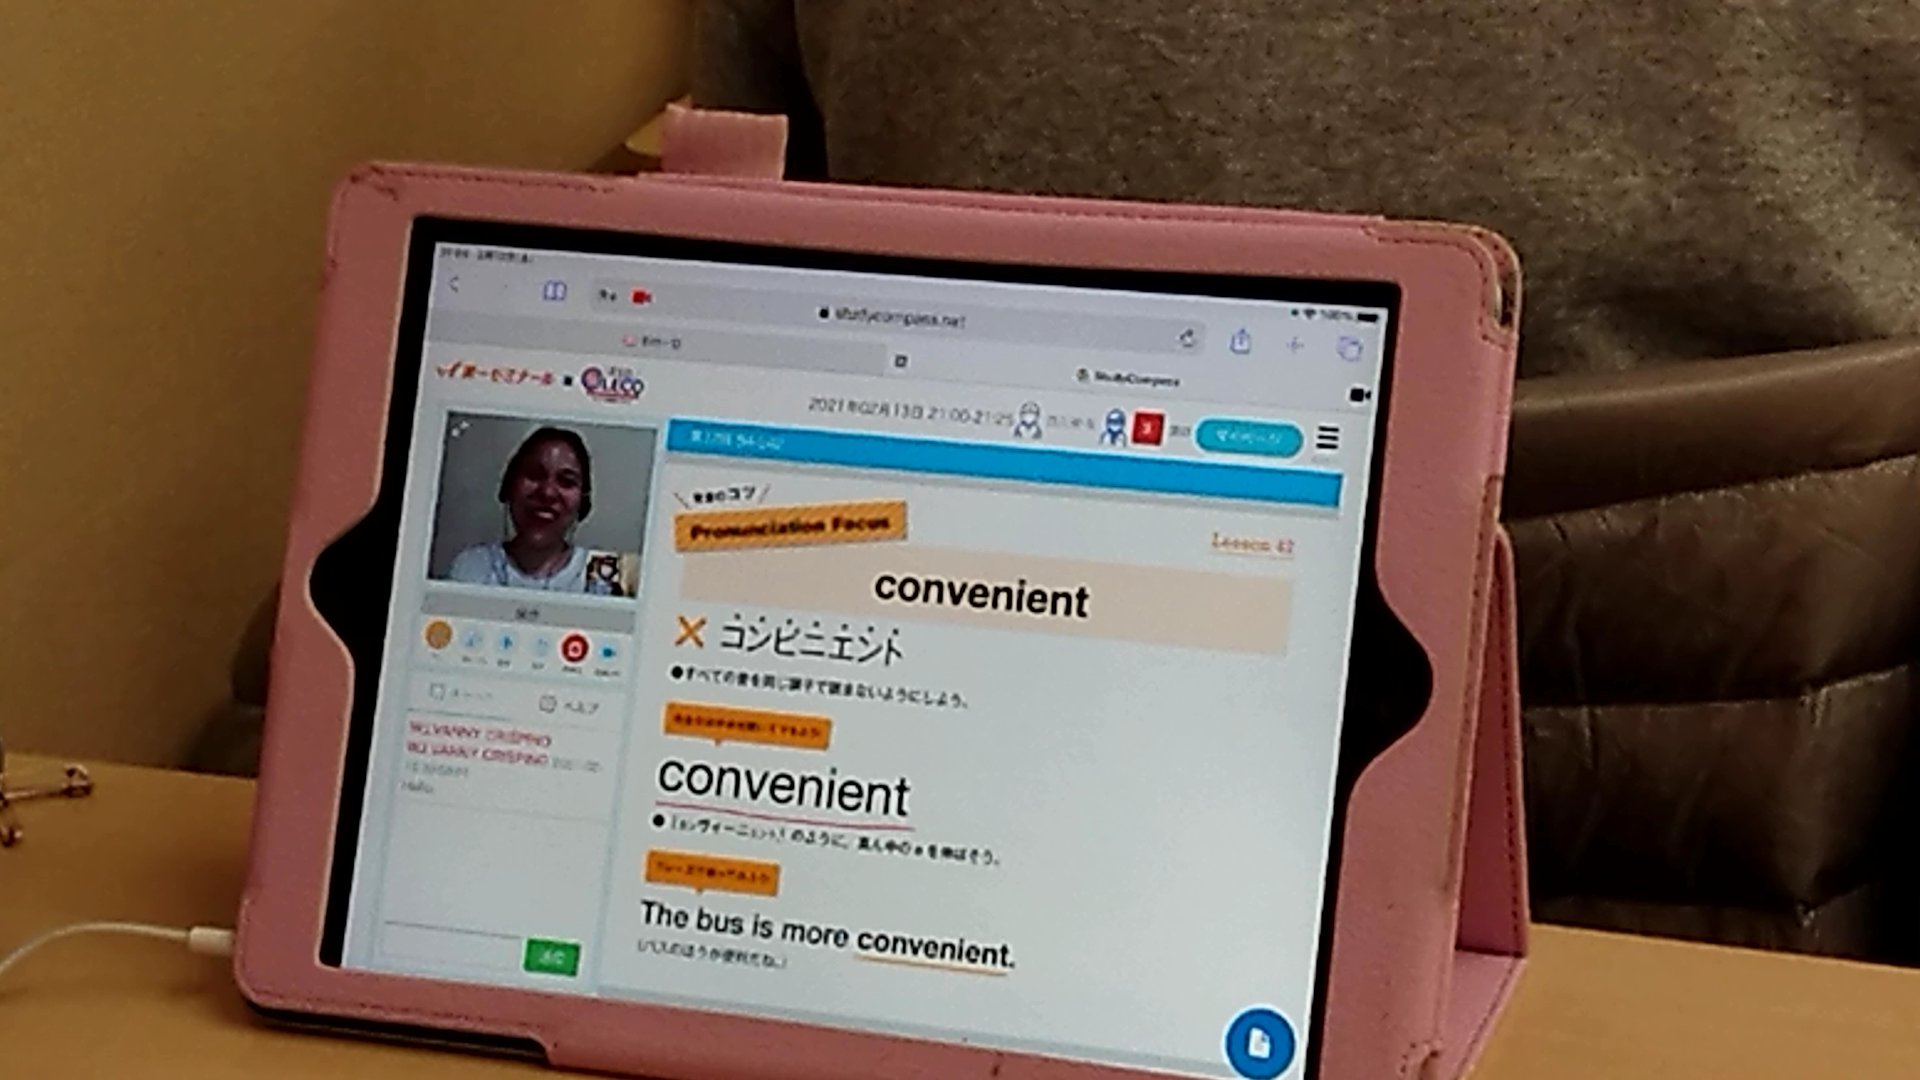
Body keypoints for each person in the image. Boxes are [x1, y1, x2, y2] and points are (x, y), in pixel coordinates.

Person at [447, 427, 613, 595]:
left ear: (583, 501)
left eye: (566, 481)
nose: (547, 492)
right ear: (509, 485)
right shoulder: (472, 566)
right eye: (534, 475)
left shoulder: (604, 575)